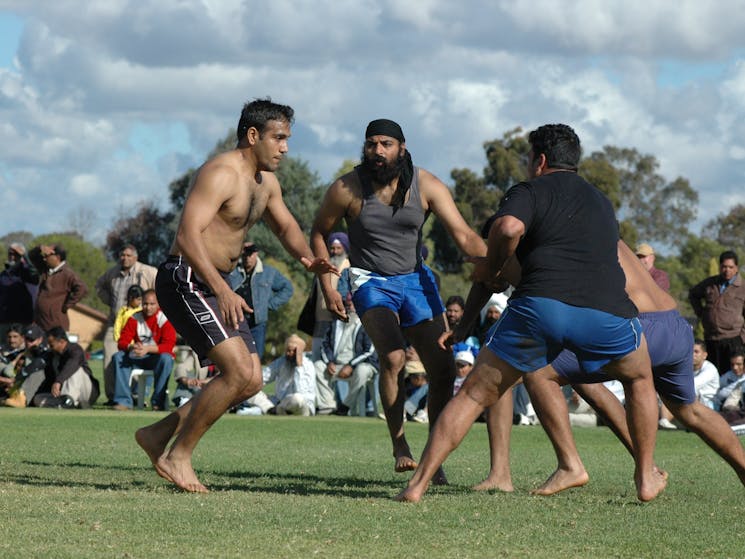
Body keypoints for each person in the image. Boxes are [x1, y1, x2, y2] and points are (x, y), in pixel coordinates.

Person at [395, 123, 666, 503]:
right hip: (608, 313)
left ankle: (417, 485)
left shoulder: (529, 190)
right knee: (639, 379)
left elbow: (507, 227)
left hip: (541, 308)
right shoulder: (601, 201)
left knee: (473, 396)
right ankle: (646, 475)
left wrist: (493, 263)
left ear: (538, 160)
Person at [133, 99, 338, 493]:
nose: (285, 148)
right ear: (253, 135)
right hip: (186, 278)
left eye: (288, 139)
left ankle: (157, 435)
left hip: (218, 283)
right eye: (279, 138)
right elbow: (186, 236)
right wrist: (225, 289)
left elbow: (287, 227)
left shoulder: (266, 184)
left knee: (251, 380)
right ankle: (177, 456)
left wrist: (309, 260)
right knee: (238, 372)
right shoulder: (221, 173)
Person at [477, 241, 745, 495]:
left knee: (533, 372)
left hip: (638, 328)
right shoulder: (600, 227)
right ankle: (732, 469)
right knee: (689, 411)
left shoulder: (563, 239)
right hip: (674, 327)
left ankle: (560, 467)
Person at [311, 118, 486, 477]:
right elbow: (318, 232)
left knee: (442, 370)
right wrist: (328, 285)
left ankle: (432, 458)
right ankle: (400, 443)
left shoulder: (427, 185)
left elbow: (464, 236)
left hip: (416, 281)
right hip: (369, 280)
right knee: (391, 358)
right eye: (371, 143)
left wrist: (493, 262)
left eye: (386, 144)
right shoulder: (347, 188)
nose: (378, 150)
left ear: (401, 148)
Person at [95, 244, 158, 399]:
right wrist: (110, 301)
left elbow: (160, 289)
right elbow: (98, 286)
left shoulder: (147, 272)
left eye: (129, 255)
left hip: (140, 323)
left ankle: (136, 394)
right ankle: (113, 396)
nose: (125, 258)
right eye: (123, 255)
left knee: (137, 355)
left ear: (136, 257)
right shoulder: (112, 273)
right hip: (115, 323)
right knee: (110, 359)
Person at [111, 289, 176, 411]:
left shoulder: (165, 319)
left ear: (158, 304)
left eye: (152, 304)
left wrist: (147, 349)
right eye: (145, 304)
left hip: (156, 358)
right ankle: (123, 401)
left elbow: (169, 346)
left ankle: (158, 401)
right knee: (118, 357)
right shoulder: (134, 318)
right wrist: (132, 347)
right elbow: (122, 342)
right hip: (138, 355)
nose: (148, 307)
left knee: (166, 358)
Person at [314, 293, 378, 416]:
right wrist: (329, 362)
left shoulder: (368, 324)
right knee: (318, 366)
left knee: (362, 371)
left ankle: (345, 406)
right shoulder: (335, 323)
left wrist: (351, 365)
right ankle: (328, 406)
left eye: (352, 304)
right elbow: (325, 345)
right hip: (337, 365)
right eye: (347, 304)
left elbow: (369, 351)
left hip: (361, 365)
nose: (349, 307)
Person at [233, 241, 293, 359]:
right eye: (244, 254)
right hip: (235, 322)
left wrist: (269, 305)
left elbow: (287, 288)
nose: (247, 258)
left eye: (250, 254)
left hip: (257, 324)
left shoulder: (269, 273)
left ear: (256, 254)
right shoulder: (232, 271)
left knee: (255, 358)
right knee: (235, 359)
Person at [689, 250, 745, 374]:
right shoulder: (710, 283)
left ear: (736, 268)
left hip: (733, 340)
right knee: (711, 374)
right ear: (720, 267)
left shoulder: (742, 288)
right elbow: (693, 294)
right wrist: (701, 313)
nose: (727, 270)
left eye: (731, 267)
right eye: (724, 266)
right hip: (711, 339)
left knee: (731, 376)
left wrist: (742, 337)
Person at [298, 231, 351, 361]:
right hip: (320, 317)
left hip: (339, 317)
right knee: (317, 353)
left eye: (338, 248)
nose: (335, 251)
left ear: (344, 248)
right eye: (332, 248)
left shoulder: (349, 267)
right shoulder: (323, 267)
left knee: (336, 357)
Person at [33, 326, 99, 408]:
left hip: (86, 391)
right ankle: (71, 403)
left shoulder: (75, 349)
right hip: (63, 392)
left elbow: (72, 365)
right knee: (38, 399)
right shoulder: (53, 356)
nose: (49, 347)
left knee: (76, 369)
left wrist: (58, 381)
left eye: (51, 344)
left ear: (61, 341)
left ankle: (68, 401)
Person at [261, 334, 316, 415]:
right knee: (252, 394)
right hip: (280, 402)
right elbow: (263, 377)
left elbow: (301, 392)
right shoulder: (281, 362)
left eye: (294, 351)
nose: (290, 353)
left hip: (303, 406)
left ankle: (273, 410)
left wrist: (299, 367)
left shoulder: (308, 365)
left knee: (297, 398)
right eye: (288, 351)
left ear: (300, 352)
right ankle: (276, 410)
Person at [1, 324, 49, 407]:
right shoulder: (22, 353)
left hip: (38, 389)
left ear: (40, 340)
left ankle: (21, 399)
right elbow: (7, 371)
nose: (28, 342)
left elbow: (36, 366)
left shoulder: (43, 353)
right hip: (14, 386)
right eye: (27, 339)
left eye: (32, 340)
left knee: (38, 372)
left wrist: (13, 380)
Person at [0, 243, 39, 337]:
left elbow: (36, 274)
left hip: (24, 322)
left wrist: (25, 256)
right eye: (10, 254)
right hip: (4, 322)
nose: (12, 257)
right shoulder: (3, 275)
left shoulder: (28, 272)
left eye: (16, 254)